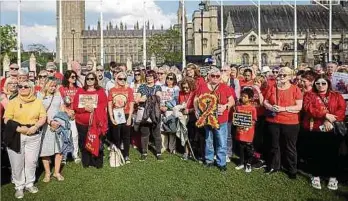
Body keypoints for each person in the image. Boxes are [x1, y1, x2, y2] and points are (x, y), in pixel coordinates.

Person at [3, 81, 46, 199]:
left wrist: (36, 126)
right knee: (17, 163)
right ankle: (19, 186)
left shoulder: (37, 102)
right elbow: (6, 119)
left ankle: (29, 183)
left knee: (31, 161)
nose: (22, 88)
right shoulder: (13, 102)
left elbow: (43, 117)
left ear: (31, 88)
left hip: (34, 134)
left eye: (26, 86)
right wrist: (19, 129)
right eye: (20, 86)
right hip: (16, 135)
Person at [303, 75, 346, 190]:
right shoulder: (309, 95)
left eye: (323, 83)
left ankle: (333, 177)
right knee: (316, 153)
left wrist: (329, 120)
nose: (320, 86)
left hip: (332, 127)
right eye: (318, 83)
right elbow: (308, 109)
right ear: (314, 84)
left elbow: (341, 109)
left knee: (333, 153)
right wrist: (325, 115)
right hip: (315, 128)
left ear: (328, 84)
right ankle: (316, 175)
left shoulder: (336, 95)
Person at [263, 67, 303, 179]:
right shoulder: (272, 87)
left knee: (290, 147)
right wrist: (271, 107)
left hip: (290, 122)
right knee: (274, 145)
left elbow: (299, 107)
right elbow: (265, 102)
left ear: (290, 77)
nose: (281, 76)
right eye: (279, 75)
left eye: (284, 75)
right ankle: (275, 166)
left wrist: (283, 109)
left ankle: (292, 169)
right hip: (273, 120)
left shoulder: (295, 89)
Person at [195, 67, 235, 171]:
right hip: (207, 119)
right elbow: (196, 99)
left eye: (217, 76)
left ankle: (221, 163)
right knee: (209, 140)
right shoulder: (202, 87)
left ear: (220, 77)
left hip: (221, 120)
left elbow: (232, 101)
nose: (215, 78)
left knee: (221, 141)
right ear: (209, 76)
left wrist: (225, 106)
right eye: (213, 76)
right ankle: (209, 161)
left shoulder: (225, 87)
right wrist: (197, 110)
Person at [73, 72, 108, 168]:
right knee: (84, 142)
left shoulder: (100, 91)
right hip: (82, 123)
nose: (90, 80)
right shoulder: (80, 91)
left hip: (96, 123)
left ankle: (96, 161)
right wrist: (85, 109)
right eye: (88, 79)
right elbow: (75, 106)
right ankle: (86, 162)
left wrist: (94, 108)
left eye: (92, 79)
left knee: (96, 141)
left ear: (95, 80)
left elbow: (104, 104)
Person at [38, 80, 65, 182]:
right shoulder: (40, 96)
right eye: (51, 86)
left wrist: (60, 120)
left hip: (58, 125)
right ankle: (47, 172)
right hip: (45, 126)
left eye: (54, 86)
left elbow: (62, 109)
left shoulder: (58, 95)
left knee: (59, 149)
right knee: (45, 150)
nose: (53, 88)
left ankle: (56, 172)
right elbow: (40, 112)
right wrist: (50, 122)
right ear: (46, 86)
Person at [108, 72, 134, 163]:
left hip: (126, 114)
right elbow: (109, 105)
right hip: (116, 114)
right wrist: (111, 118)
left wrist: (130, 117)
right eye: (120, 79)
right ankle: (117, 153)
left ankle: (126, 155)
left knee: (126, 136)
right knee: (116, 136)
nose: (122, 81)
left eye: (124, 79)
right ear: (116, 79)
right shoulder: (112, 90)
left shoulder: (129, 90)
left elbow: (131, 104)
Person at [137, 70, 163, 161]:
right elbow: (138, 99)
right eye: (147, 76)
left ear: (154, 77)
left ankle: (158, 152)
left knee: (157, 133)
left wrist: (146, 98)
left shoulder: (158, 87)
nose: (149, 78)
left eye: (151, 76)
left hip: (155, 113)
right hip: (144, 113)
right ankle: (144, 152)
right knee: (144, 133)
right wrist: (151, 98)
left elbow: (159, 98)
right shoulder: (142, 87)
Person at [59, 70, 81, 163]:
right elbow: (60, 103)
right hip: (64, 115)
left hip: (75, 116)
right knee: (64, 136)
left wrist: (75, 112)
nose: (74, 78)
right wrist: (67, 111)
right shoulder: (61, 89)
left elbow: (81, 102)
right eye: (72, 77)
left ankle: (75, 154)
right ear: (67, 78)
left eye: (75, 76)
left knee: (74, 135)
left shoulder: (79, 89)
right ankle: (63, 156)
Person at [234, 88, 257, 173]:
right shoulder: (238, 107)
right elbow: (235, 117)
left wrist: (248, 125)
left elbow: (254, 120)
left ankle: (248, 163)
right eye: (242, 96)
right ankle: (241, 162)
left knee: (249, 149)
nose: (242, 98)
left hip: (248, 132)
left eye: (245, 97)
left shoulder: (252, 108)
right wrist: (236, 123)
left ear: (250, 98)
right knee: (240, 148)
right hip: (240, 132)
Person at [160, 72, 180, 154]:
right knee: (162, 129)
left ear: (174, 80)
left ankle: (172, 147)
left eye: (171, 78)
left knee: (172, 129)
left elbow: (176, 101)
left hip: (171, 111)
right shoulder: (162, 87)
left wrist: (167, 107)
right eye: (168, 78)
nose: (169, 80)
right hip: (161, 110)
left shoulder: (176, 89)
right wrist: (161, 107)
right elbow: (159, 98)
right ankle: (163, 146)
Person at [178, 77, 196, 160]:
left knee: (192, 135)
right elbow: (180, 103)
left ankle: (192, 151)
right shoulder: (181, 93)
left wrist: (189, 110)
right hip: (183, 117)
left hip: (192, 117)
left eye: (187, 87)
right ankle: (186, 152)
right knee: (185, 134)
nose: (185, 89)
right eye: (183, 87)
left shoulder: (194, 93)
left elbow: (197, 107)